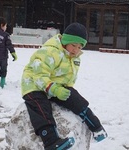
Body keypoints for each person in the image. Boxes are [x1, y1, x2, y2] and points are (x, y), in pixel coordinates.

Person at [21, 22, 108, 150]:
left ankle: (96, 127)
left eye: (80, 47)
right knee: (41, 107)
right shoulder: (50, 51)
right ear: (65, 40)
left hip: (55, 85)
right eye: (73, 45)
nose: (76, 50)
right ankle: (51, 142)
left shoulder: (74, 56)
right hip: (34, 84)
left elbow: (68, 78)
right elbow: (38, 74)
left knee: (75, 98)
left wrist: (65, 91)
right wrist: (54, 89)